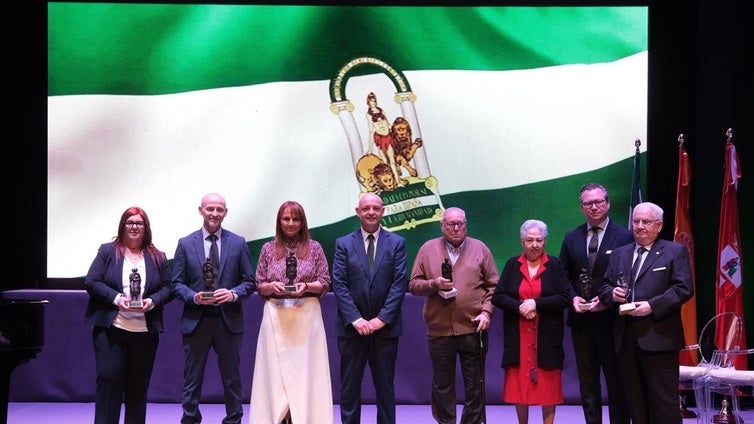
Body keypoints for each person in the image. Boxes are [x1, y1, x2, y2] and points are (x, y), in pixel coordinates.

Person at [598, 201, 694, 424]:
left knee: (664, 403)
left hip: (659, 338)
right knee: (635, 402)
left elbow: (684, 289)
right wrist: (612, 293)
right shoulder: (619, 254)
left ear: (659, 226)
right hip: (625, 340)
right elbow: (604, 286)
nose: (639, 226)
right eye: (636, 221)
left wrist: (652, 305)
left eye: (646, 222)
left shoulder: (674, 251)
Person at [171, 192, 256, 424]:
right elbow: (176, 283)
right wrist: (194, 297)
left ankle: (234, 420)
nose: (215, 213)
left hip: (228, 320)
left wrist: (233, 293)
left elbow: (249, 282)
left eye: (220, 209)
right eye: (210, 209)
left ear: (225, 213)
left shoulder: (238, 243)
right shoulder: (185, 243)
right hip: (196, 320)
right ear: (201, 210)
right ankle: (189, 419)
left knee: (232, 378)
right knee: (192, 378)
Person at [409, 207, 499, 424]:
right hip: (439, 330)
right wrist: (433, 284)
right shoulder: (427, 249)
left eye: (461, 224)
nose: (456, 228)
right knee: (442, 385)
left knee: (475, 385)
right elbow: (413, 285)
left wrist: (487, 313)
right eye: (451, 224)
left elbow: (494, 287)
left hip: (473, 328)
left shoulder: (481, 249)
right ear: (442, 226)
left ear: (466, 225)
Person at [84, 206, 173, 424]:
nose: (134, 227)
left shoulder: (158, 256)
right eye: (130, 222)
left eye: (139, 223)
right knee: (109, 381)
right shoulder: (107, 251)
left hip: (144, 332)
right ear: (123, 225)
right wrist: (117, 299)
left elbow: (169, 287)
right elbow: (91, 281)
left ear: (146, 227)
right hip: (112, 329)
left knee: (137, 388)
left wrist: (152, 302)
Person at [249, 201, 333, 424]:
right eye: (286, 219)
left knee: (305, 373)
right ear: (279, 221)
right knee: (275, 373)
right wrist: (271, 287)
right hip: (275, 314)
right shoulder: (268, 248)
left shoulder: (314, 248)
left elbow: (325, 281)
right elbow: (259, 283)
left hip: (307, 316)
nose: (291, 223)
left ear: (302, 222)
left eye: (295, 219)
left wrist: (306, 287)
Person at [558, 183, 633, 424]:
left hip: (613, 321)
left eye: (598, 201)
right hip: (581, 321)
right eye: (588, 203)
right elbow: (563, 276)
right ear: (582, 207)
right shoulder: (571, 237)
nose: (594, 207)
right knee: (587, 381)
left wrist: (608, 299)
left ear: (608, 203)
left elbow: (630, 277)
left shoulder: (625, 236)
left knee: (616, 380)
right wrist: (572, 298)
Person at [332, 192, 408, 424]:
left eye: (376, 208)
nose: (371, 212)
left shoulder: (397, 243)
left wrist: (381, 319)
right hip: (351, 330)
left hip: (385, 330)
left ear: (383, 211)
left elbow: (399, 283)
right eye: (366, 208)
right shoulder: (343, 243)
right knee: (349, 390)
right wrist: (356, 319)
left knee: (385, 389)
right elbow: (339, 283)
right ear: (358, 212)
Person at [491, 219, 571, 424]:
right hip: (518, 336)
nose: (534, 244)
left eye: (539, 240)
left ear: (545, 242)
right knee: (519, 386)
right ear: (522, 242)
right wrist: (519, 306)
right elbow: (498, 296)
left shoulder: (555, 265)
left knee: (548, 386)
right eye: (529, 240)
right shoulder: (511, 264)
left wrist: (536, 303)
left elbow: (564, 297)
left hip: (546, 336)